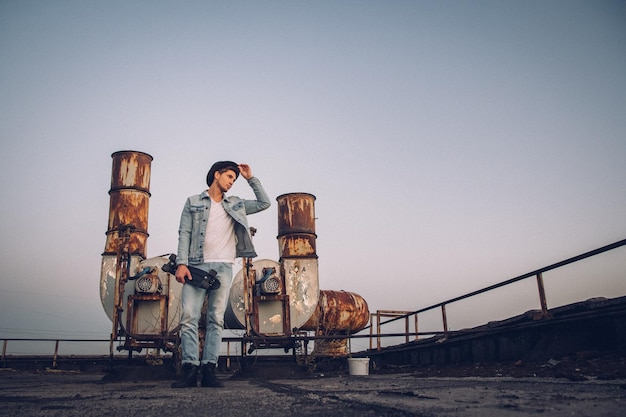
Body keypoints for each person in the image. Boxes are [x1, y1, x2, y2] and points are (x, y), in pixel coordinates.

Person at [171, 161, 270, 388]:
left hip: (224, 267)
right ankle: (189, 368)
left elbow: (264, 203)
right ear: (216, 175)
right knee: (189, 318)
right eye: (229, 177)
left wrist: (249, 178)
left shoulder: (236, 204)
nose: (231, 182)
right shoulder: (193, 202)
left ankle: (208, 370)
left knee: (216, 319)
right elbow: (184, 233)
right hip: (195, 265)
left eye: (234, 180)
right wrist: (181, 263)